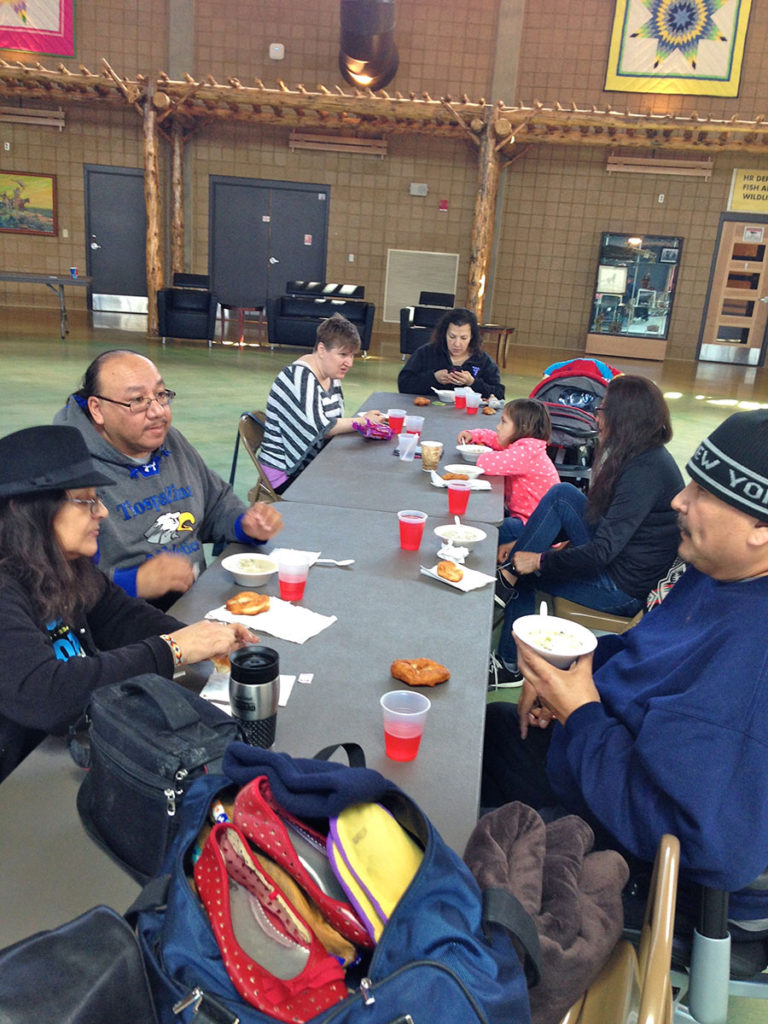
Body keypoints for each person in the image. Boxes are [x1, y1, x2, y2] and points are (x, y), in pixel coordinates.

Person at [481, 408, 768, 924]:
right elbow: (644, 653)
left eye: (702, 492)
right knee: (473, 735)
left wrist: (584, 713)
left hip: (636, 859)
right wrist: (569, 671)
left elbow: (693, 843)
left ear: (760, 529)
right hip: (599, 759)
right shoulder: (716, 574)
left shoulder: (750, 664)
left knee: (454, 833)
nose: (680, 499)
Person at [0, 425, 255, 782]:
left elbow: (121, 615)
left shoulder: (63, 565)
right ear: (27, 510)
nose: (102, 512)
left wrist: (205, 639)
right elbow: (47, 695)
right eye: (87, 501)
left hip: (65, 753)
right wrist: (173, 649)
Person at [55, 349, 283, 607]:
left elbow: (216, 504)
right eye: (137, 400)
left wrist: (246, 524)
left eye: (160, 395)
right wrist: (133, 582)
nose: (157, 412)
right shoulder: (70, 469)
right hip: (124, 625)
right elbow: (55, 582)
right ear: (97, 409)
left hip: (195, 604)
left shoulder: (169, 442)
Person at [494, 375, 683, 679]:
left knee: (528, 575)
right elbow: (603, 524)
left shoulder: (645, 472)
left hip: (622, 587)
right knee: (564, 495)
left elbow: (602, 552)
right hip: (620, 557)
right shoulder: (638, 454)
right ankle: (510, 570)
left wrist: (538, 560)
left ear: (623, 418)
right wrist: (535, 549)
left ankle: (511, 666)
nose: (597, 416)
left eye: (603, 410)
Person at [259, 312, 387, 491]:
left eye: (352, 356)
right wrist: (363, 421)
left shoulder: (332, 376)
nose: (349, 362)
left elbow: (335, 421)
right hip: (285, 474)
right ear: (321, 350)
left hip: (312, 465)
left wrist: (364, 424)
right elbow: (323, 428)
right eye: (343, 354)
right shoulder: (299, 377)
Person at [458, 398, 560, 558]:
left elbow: (487, 463)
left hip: (533, 528)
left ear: (522, 428)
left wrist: (479, 452)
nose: (498, 427)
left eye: (503, 422)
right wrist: (476, 435)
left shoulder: (526, 453)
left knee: (484, 531)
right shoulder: (529, 446)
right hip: (532, 521)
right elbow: (498, 441)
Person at [397, 307, 504, 400]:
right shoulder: (426, 353)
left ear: (472, 337)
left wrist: (472, 382)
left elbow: (499, 394)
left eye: (463, 338)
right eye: (452, 337)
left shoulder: (482, 360)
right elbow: (403, 385)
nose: (457, 344)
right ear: (444, 334)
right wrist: (433, 378)